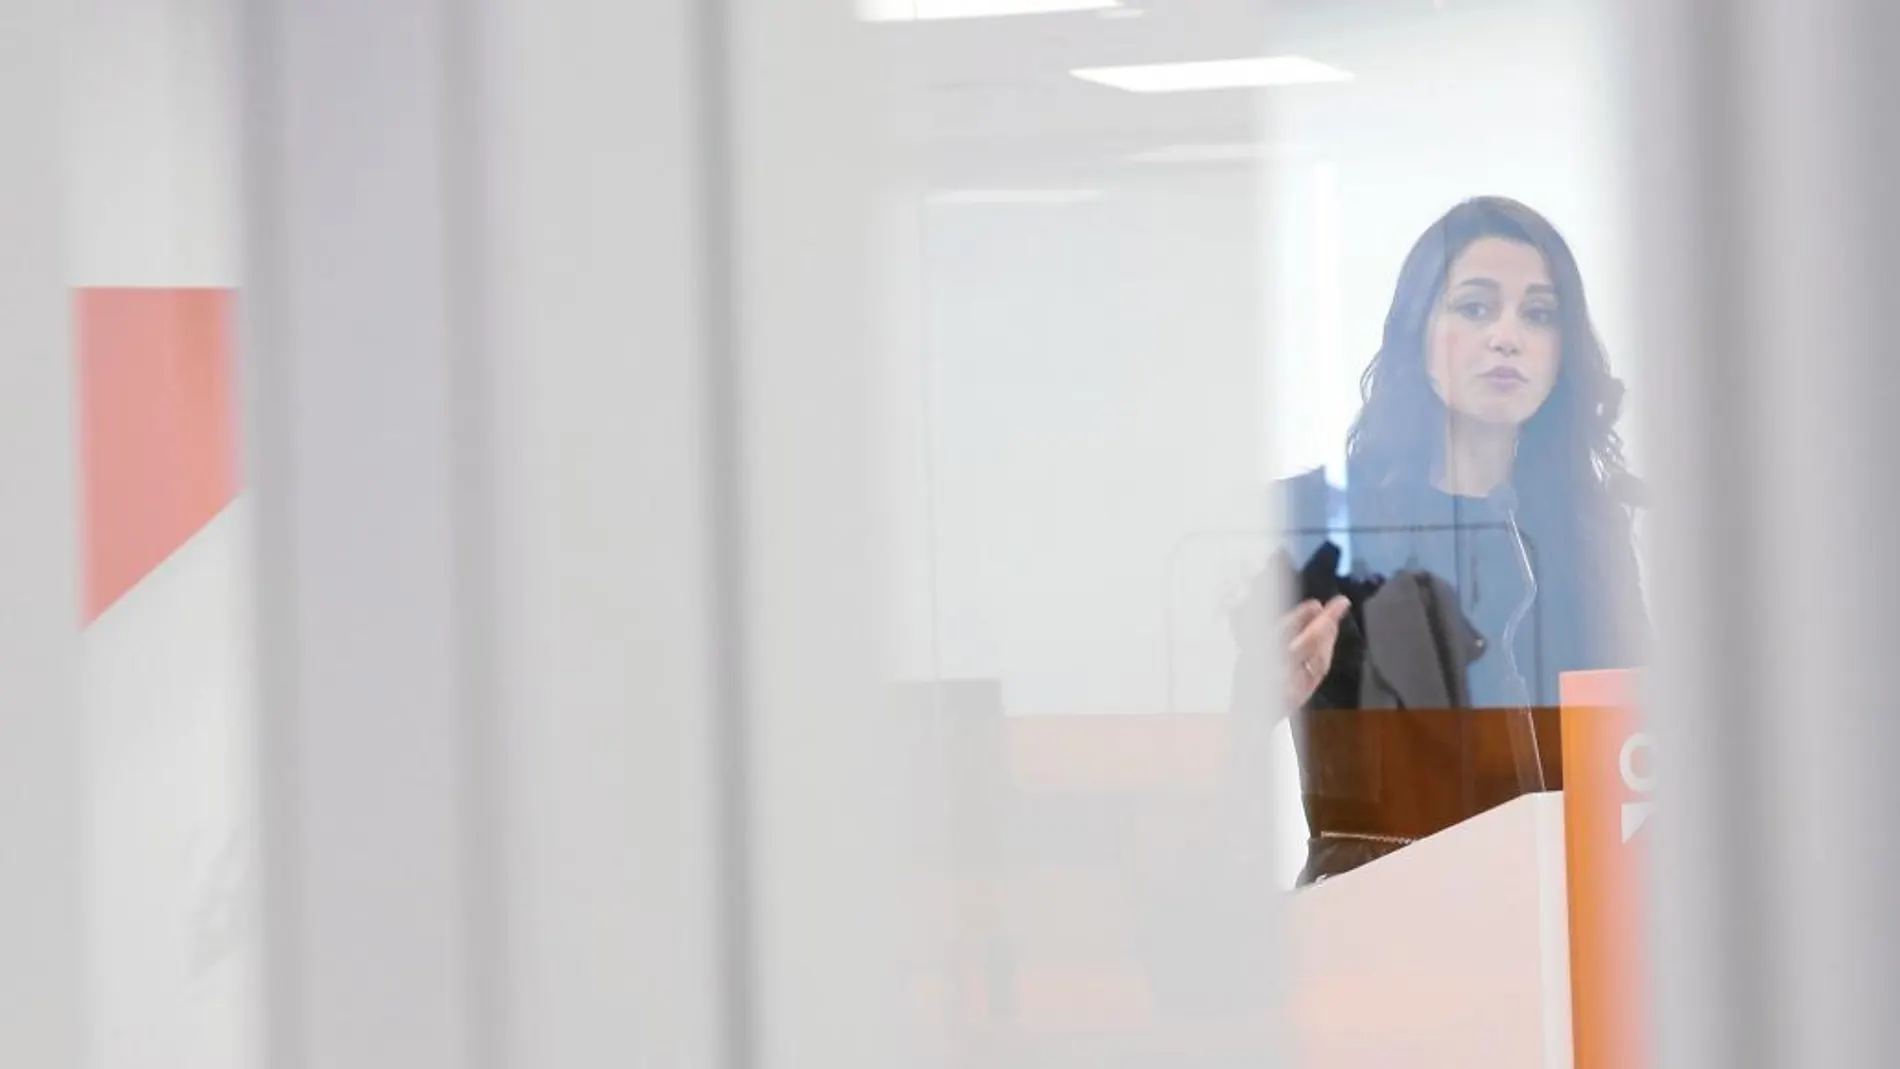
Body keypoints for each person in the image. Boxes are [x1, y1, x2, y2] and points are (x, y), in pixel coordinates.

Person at [1257, 196, 1649, 881]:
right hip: (1380, 910)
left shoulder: (1589, 522)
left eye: (1538, 313)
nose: (1507, 336)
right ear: (1418, 329)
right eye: (1474, 307)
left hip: (1564, 907)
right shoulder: (1315, 514)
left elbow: (1634, 746)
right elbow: (1209, 740)